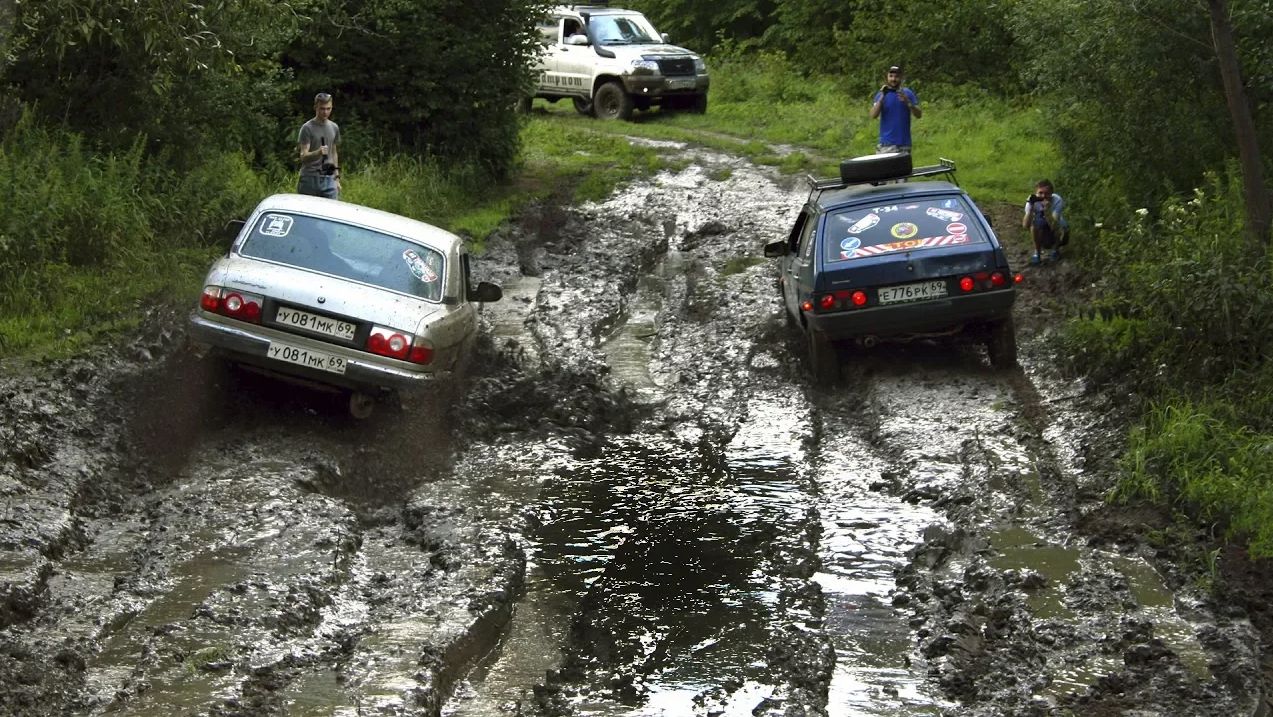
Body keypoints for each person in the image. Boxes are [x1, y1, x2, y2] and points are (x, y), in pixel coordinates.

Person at [297, 92, 341, 200]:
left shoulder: (334, 127)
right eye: (322, 108)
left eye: (328, 108)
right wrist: (318, 152)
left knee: (331, 212)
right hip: (310, 178)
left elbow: (334, 153)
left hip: (329, 178)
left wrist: (337, 178)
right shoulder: (307, 128)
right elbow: (303, 156)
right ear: (315, 107)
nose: (325, 112)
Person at [869, 65, 922, 154]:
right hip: (886, 144)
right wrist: (881, 98)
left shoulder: (907, 93)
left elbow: (919, 115)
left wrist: (908, 103)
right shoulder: (881, 94)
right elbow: (873, 115)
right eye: (891, 76)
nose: (893, 79)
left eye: (896, 76)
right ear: (887, 77)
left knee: (903, 168)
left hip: (904, 144)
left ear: (901, 78)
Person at [1022, 179, 1069, 264]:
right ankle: (1037, 252)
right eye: (1040, 193)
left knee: (1062, 226)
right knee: (1033, 225)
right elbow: (1025, 225)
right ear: (1036, 193)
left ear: (1052, 193)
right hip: (1039, 219)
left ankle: (1055, 249)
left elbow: (1054, 224)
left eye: (1047, 193)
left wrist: (1047, 210)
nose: (1043, 196)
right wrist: (1031, 208)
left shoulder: (1057, 200)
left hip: (1054, 219)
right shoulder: (1032, 200)